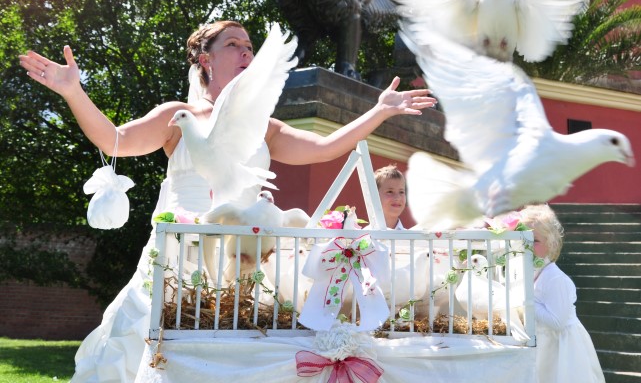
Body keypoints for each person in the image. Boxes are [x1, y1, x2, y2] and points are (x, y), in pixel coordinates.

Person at [19, 20, 436, 383]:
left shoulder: (265, 127)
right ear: (206, 60)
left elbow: (326, 147)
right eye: (234, 45)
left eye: (250, 47)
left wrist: (379, 111)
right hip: (179, 255)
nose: (246, 52)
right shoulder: (177, 116)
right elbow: (116, 140)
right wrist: (73, 91)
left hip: (247, 258)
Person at [519, 204, 605, 383]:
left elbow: (557, 322)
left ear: (551, 244)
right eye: (523, 240)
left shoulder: (555, 278)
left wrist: (525, 301)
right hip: (545, 343)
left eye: (535, 241)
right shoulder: (537, 273)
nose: (527, 246)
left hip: (562, 348)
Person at [374, 164, 411, 229]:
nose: (397, 198)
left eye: (401, 192)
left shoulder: (412, 235)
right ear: (375, 195)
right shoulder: (363, 234)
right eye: (390, 192)